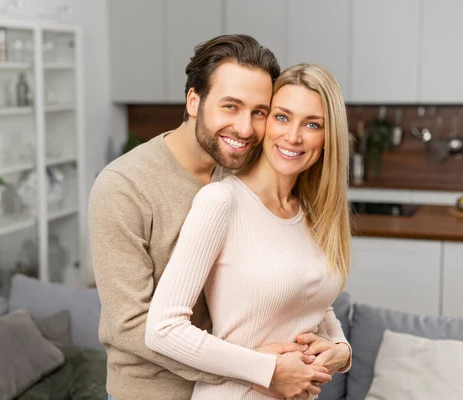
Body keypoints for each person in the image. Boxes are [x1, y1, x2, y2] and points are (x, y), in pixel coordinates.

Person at [89, 34, 349, 400]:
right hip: (153, 391)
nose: (245, 129)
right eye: (231, 106)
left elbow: (292, 281)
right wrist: (257, 368)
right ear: (193, 100)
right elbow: (129, 324)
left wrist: (337, 347)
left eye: (259, 111)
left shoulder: (243, 172)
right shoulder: (123, 186)